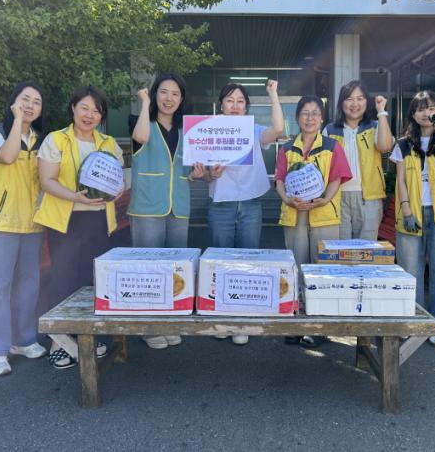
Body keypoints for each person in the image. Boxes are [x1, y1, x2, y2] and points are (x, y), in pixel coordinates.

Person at [34, 86, 124, 369]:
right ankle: (59, 342)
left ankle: (86, 338)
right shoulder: (56, 139)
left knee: (90, 281)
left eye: (96, 111)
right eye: (84, 107)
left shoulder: (109, 143)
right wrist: (75, 197)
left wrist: (118, 189)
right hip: (65, 220)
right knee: (63, 278)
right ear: (73, 108)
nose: (89, 115)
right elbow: (46, 180)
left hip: (98, 220)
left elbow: (117, 179)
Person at [130, 73, 206, 350]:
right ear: (155, 94)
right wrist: (144, 103)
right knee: (148, 269)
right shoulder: (142, 123)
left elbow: (188, 170)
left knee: (176, 269)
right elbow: (140, 137)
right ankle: (148, 328)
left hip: (179, 206)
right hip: (147, 205)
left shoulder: (188, 132)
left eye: (175, 94)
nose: (169, 98)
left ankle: (169, 322)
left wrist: (197, 175)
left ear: (182, 99)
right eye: (163, 92)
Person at [205, 81, 284, 345]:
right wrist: (211, 174)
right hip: (221, 204)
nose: (235, 106)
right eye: (230, 100)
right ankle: (222, 318)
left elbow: (278, 130)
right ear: (221, 105)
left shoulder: (253, 130)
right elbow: (202, 174)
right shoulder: (210, 132)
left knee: (248, 262)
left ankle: (242, 321)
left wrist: (273, 95)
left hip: (250, 204)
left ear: (246, 107)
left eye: (240, 101)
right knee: (219, 263)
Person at [0, 82, 47, 376]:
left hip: (32, 224)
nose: (30, 105)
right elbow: (6, 157)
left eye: (36, 102)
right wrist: (17, 121)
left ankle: (23, 339)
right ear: (13, 103)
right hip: (0, 223)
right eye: (24, 100)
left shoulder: (41, 140)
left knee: (28, 286)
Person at [275, 95, 352, 347]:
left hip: (324, 213)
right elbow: (279, 179)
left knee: (321, 270)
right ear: (297, 117)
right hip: (294, 212)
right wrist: (287, 199)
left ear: (321, 118)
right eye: (305, 113)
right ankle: (296, 322)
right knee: (296, 266)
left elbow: (337, 177)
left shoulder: (332, 146)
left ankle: (319, 327)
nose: (310, 118)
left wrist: (325, 199)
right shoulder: (287, 148)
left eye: (315, 113)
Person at [390, 91, 435, 347]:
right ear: (413, 114)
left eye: (431, 108)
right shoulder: (403, 144)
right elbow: (400, 181)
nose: (426, 113)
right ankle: (414, 324)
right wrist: (407, 211)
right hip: (412, 212)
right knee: (411, 271)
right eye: (420, 109)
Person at [323, 81, 394, 240]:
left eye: (360, 99)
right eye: (349, 99)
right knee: (341, 248)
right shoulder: (330, 130)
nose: (355, 104)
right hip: (337, 196)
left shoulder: (375, 126)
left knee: (366, 249)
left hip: (369, 198)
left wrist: (381, 112)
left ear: (367, 102)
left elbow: (385, 147)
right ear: (341, 103)